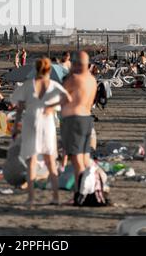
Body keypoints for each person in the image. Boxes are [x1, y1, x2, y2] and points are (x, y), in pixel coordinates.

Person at [11, 57, 68, 208]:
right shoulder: (54, 85)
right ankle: (55, 197)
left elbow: (18, 105)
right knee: (51, 162)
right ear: (49, 69)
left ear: (36, 69)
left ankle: (31, 198)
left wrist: (16, 125)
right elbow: (67, 98)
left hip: (31, 121)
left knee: (31, 162)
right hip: (47, 121)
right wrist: (52, 105)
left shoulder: (28, 85)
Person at [61, 51, 97, 204]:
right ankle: (88, 190)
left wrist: (69, 73)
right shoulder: (92, 80)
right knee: (84, 157)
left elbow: (62, 96)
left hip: (74, 119)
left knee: (76, 159)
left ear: (76, 64)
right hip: (87, 119)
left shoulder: (74, 79)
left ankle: (80, 192)